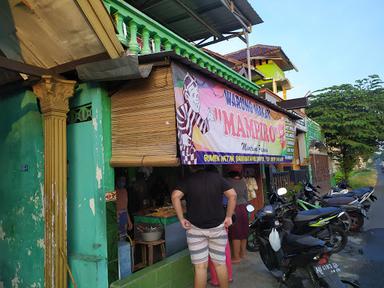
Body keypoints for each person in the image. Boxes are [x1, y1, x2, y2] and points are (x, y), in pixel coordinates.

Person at [172, 166, 237, 288]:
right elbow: (232, 195)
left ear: (191, 166)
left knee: (200, 268)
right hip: (218, 228)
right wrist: (228, 216)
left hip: (195, 229)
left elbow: (175, 196)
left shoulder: (188, 180)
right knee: (220, 264)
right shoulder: (217, 178)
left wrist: (181, 219)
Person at [226, 165, 249, 264]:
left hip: (234, 208)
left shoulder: (227, 182)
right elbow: (246, 196)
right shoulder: (243, 181)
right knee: (244, 231)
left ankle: (236, 257)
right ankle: (243, 254)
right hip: (244, 207)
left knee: (235, 233)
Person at [116, 175, 133, 239]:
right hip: (116, 217)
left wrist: (129, 221)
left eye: (124, 181)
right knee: (117, 238)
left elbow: (125, 208)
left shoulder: (125, 191)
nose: (122, 182)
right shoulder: (112, 191)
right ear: (117, 181)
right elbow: (109, 206)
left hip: (124, 216)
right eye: (120, 180)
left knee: (123, 237)